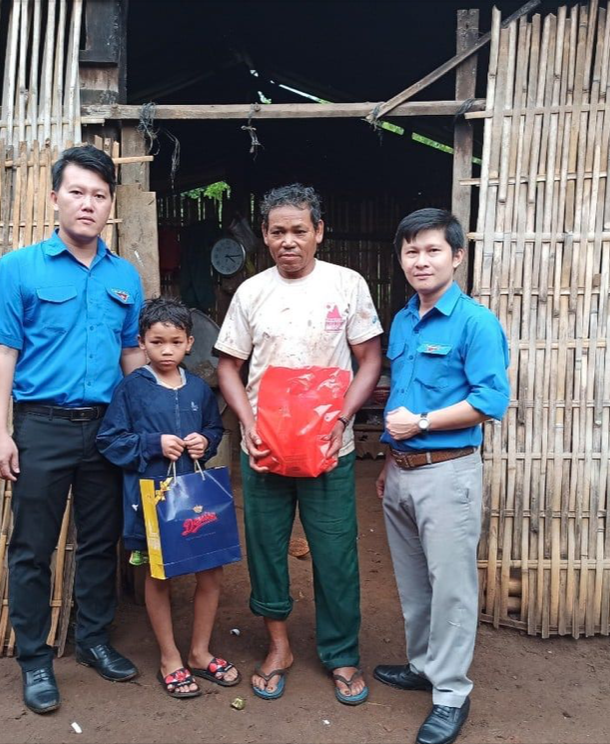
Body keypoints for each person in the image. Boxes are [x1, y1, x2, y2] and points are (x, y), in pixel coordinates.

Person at [0, 144, 145, 714]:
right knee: (32, 548)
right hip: (41, 427)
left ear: (110, 205)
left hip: (106, 429)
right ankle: (34, 659)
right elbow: (2, 352)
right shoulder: (19, 268)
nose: (88, 204)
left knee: (100, 542)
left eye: (99, 195)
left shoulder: (124, 275)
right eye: (77, 192)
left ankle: (93, 639)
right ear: (55, 198)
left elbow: (131, 354)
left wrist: (145, 423)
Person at [215, 184, 383, 705]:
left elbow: (370, 360)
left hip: (331, 449)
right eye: (277, 232)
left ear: (319, 232)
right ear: (265, 236)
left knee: (336, 552)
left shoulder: (346, 285)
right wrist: (248, 424)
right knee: (266, 551)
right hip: (265, 449)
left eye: (299, 230)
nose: (288, 241)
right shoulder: (251, 293)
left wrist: (342, 418)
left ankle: (341, 653)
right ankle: (279, 647)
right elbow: (228, 367)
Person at [374, 208, 510, 744]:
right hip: (402, 472)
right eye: (411, 251)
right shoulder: (404, 319)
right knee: (413, 583)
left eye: (432, 250)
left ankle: (451, 694)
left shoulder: (476, 322)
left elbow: (491, 400)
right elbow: (402, 395)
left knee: (451, 587)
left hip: (448, 473)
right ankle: (424, 665)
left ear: (456, 256)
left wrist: (424, 423)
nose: (421, 261)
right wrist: (390, 459)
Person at [96, 296, 239, 700]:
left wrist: (204, 441)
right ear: (142, 343)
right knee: (159, 574)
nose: (166, 351)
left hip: (195, 498)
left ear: (190, 343)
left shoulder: (198, 388)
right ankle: (169, 657)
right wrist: (152, 444)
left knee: (211, 571)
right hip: (152, 498)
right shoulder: (131, 389)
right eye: (157, 342)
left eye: (175, 342)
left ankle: (199, 652)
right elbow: (110, 440)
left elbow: (214, 429)